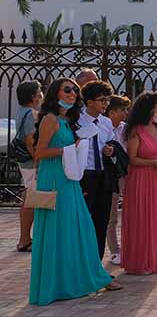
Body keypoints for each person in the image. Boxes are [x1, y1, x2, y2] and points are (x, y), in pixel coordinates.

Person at [29, 77, 119, 305]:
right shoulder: (50, 119)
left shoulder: (66, 120)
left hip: (69, 178)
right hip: (54, 180)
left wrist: (74, 149)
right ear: (55, 93)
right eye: (66, 89)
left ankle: (72, 280)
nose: (71, 93)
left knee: (78, 230)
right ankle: (56, 284)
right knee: (58, 229)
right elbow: (39, 153)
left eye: (74, 90)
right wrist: (68, 150)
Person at [121, 91, 157, 275]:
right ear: (149, 108)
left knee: (156, 220)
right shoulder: (136, 131)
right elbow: (132, 159)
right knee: (142, 219)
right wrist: (154, 163)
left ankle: (155, 259)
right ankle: (140, 261)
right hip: (141, 180)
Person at [77, 80, 116, 260]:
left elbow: (112, 144)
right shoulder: (76, 121)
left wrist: (111, 149)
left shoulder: (106, 122)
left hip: (102, 176)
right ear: (89, 102)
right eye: (101, 100)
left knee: (101, 222)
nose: (105, 104)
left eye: (107, 100)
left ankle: (96, 264)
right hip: (84, 175)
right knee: (82, 221)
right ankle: (80, 263)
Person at [14, 80, 43, 253]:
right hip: (32, 162)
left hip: (25, 161)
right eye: (40, 91)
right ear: (34, 96)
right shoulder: (32, 114)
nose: (42, 94)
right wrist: (39, 159)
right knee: (32, 199)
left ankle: (25, 237)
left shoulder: (21, 112)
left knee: (28, 196)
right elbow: (31, 141)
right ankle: (25, 239)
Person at [104, 95, 131, 265]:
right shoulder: (103, 128)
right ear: (112, 112)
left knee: (131, 211)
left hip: (126, 173)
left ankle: (130, 247)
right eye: (123, 110)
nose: (126, 113)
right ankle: (115, 250)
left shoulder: (126, 129)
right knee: (111, 215)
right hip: (110, 175)